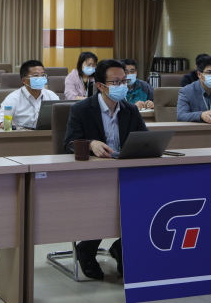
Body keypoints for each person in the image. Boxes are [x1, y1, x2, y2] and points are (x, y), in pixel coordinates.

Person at [63, 59, 148, 279]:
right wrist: (90, 144)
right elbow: (68, 144)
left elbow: (145, 140)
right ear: (100, 85)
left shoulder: (130, 110)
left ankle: (121, 246)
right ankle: (87, 248)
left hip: (126, 171)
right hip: (94, 174)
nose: (122, 86)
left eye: (124, 81)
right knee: (105, 200)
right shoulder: (81, 109)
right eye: (116, 82)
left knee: (147, 197)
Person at [0, 60, 59, 129]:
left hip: (47, 133)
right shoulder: (14, 98)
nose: (40, 78)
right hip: (22, 133)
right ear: (24, 80)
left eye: (43, 75)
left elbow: (61, 117)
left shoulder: (51, 96)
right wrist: (4, 124)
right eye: (35, 75)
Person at [176, 55, 211, 123]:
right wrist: (200, 115)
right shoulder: (186, 91)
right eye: (209, 72)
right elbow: (181, 116)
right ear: (199, 74)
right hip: (198, 129)